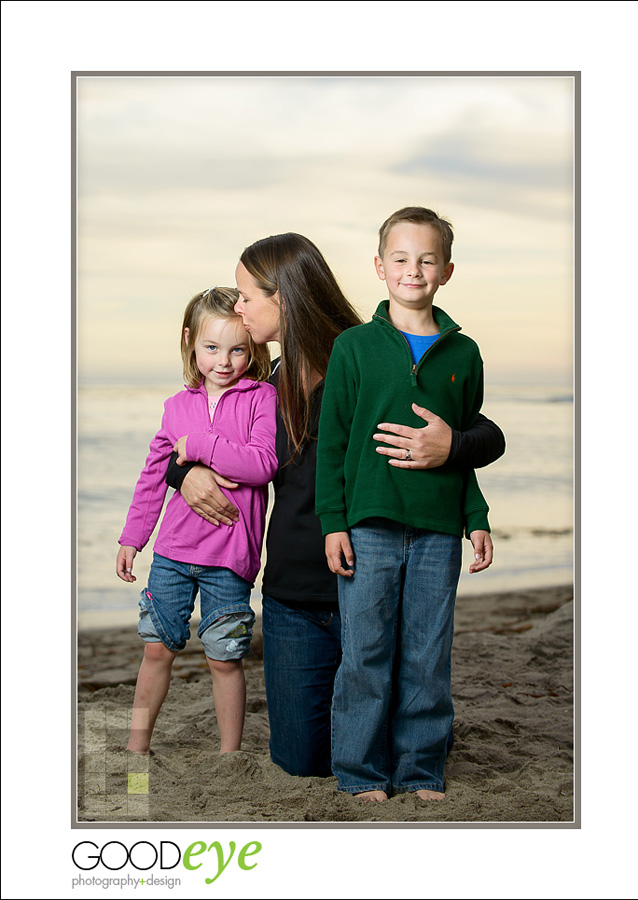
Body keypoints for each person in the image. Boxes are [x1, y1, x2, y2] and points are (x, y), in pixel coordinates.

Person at [166, 232, 505, 779]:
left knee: (397, 737)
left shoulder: (361, 351)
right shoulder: (263, 376)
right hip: (293, 590)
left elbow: (479, 429)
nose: (237, 307)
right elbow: (197, 435)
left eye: (246, 294)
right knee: (302, 760)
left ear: (283, 297)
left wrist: (453, 448)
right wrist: (181, 473)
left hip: (365, 580)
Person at [315, 206, 493, 801]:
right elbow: (333, 445)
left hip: (440, 528)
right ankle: (361, 773)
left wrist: (476, 517)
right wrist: (333, 523)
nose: (412, 269)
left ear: (445, 270)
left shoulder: (464, 354)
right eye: (400, 258)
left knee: (427, 653)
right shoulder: (354, 347)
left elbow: (462, 443)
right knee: (365, 653)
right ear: (379, 266)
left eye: (425, 259)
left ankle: (420, 770)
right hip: (369, 526)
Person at [116, 287, 277, 756]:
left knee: (224, 658)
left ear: (254, 348)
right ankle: (136, 747)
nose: (224, 361)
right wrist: (133, 538)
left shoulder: (261, 398)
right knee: (155, 650)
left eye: (237, 349)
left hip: (229, 557)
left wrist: (201, 447)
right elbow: (153, 477)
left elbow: (262, 463)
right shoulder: (175, 407)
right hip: (171, 554)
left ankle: (229, 755)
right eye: (211, 347)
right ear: (190, 341)